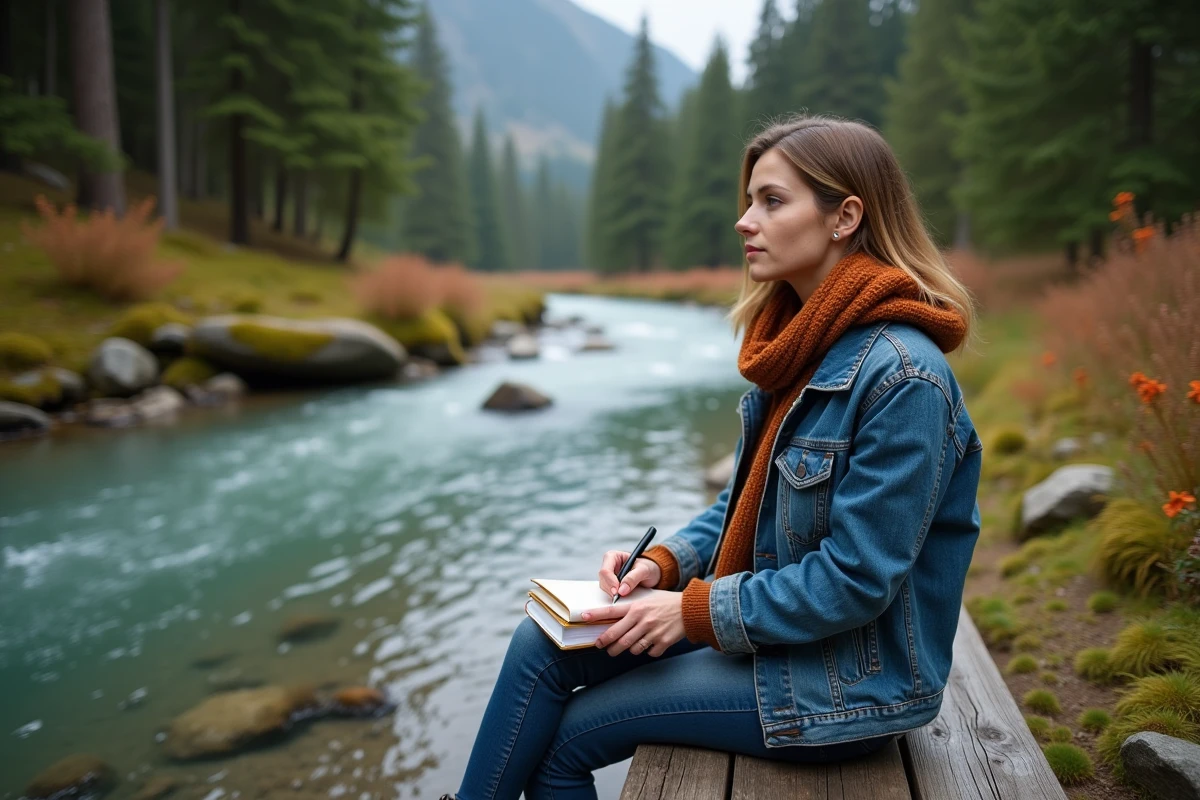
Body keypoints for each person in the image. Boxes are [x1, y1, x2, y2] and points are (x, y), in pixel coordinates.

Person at [441, 114, 984, 800]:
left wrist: (688, 612)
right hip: (778, 637)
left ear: (845, 216)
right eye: (749, 200)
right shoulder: (798, 347)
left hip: (846, 681)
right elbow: (741, 507)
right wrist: (663, 566)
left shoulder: (905, 377)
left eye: (772, 200)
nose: (745, 221)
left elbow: (855, 579)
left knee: (567, 741)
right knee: (539, 643)